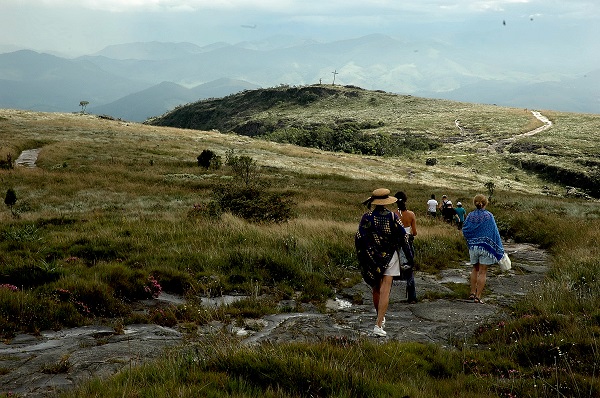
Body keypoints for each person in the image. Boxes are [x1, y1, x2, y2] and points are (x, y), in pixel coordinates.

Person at [355, 188, 415, 337]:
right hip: (390, 257)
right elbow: (404, 238)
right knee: (385, 290)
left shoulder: (366, 217)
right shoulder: (393, 217)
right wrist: (410, 257)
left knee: (376, 288)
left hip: (372, 257)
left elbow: (359, 237)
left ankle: (379, 318)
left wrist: (364, 255)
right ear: (387, 201)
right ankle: (379, 324)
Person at [462, 194, 504, 303]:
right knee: (483, 272)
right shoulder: (488, 216)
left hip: (474, 247)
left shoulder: (470, 215)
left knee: (475, 269)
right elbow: (494, 232)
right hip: (485, 247)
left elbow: (465, 230)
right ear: (485, 203)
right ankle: (478, 296)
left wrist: (471, 240)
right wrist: (498, 247)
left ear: (475, 203)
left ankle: (472, 293)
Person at [394, 191, 417, 304]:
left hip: (396, 243)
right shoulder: (411, 214)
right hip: (407, 242)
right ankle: (412, 297)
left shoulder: (393, 214)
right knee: (409, 269)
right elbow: (415, 232)